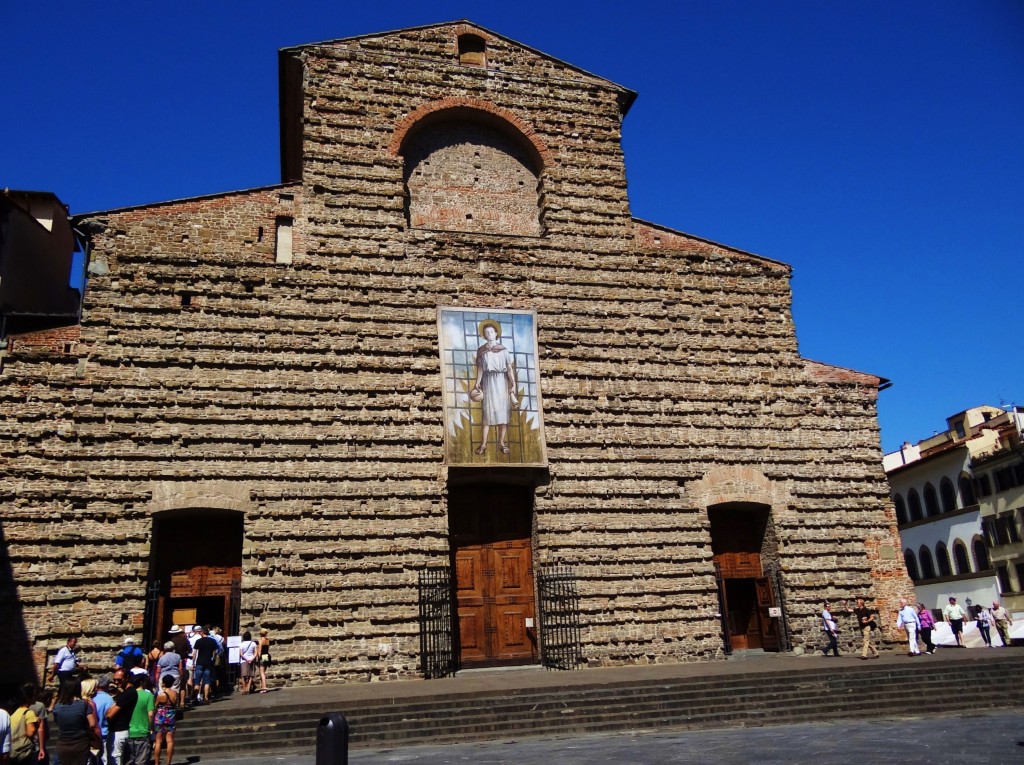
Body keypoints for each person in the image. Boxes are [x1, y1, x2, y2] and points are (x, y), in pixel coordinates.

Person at [470, 320, 518, 456]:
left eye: (491, 332)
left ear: (496, 333)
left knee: (502, 415)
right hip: (488, 382)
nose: (489, 334)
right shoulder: (482, 351)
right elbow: (480, 368)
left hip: (501, 382)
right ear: (484, 335)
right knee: (487, 415)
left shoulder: (504, 350)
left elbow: (509, 368)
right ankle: (484, 444)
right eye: (486, 333)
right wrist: (477, 382)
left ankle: (501, 443)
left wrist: (513, 384)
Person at [51, 678, 99, 765]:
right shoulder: (83, 704)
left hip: (63, 743)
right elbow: (92, 724)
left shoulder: (57, 707)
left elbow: (57, 722)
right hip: (81, 743)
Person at [105, 668, 138, 765]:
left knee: (115, 758)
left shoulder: (128, 693)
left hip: (119, 730)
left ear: (127, 678)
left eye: (119, 680)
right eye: (114, 680)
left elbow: (110, 714)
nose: (116, 682)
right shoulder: (127, 692)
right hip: (119, 730)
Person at [123, 675, 154, 765]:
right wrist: (151, 728)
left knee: (127, 761)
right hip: (142, 731)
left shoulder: (127, 694)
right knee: (141, 761)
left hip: (128, 731)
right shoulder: (148, 695)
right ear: (142, 682)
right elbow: (151, 714)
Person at [8, 687, 39, 765]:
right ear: (28, 698)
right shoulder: (29, 712)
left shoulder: (16, 711)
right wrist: (38, 723)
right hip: (24, 751)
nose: (36, 697)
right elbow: (30, 733)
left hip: (13, 749)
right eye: (34, 695)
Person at [152, 675, 178, 765]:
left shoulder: (161, 695)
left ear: (163, 682)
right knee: (170, 740)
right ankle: (168, 762)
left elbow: (155, 707)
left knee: (158, 741)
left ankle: (156, 762)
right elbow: (175, 704)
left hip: (160, 717)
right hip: (171, 716)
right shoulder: (175, 693)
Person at [190, 626, 219, 704]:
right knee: (207, 681)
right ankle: (206, 698)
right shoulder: (212, 641)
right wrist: (213, 659)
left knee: (197, 682)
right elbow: (216, 651)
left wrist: (193, 663)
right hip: (208, 662)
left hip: (199, 662)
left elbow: (194, 653)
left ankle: (195, 698)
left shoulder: (198, 641)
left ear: (202, 632)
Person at [93, 675, 115, 765]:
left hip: (91, 733)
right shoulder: (108, 699)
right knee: (103, 759)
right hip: (103, 733)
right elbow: (110, 716)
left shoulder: (90, 697)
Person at [257, 627, 272, 693]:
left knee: (262, 673)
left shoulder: (260, 641)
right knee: (263, 672)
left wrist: (258, 658)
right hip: (266, 655)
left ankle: (264, 687)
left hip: (262, 656)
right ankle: (262, 687)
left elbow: (259, 651)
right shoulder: (267, 640)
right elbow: (267, 649)